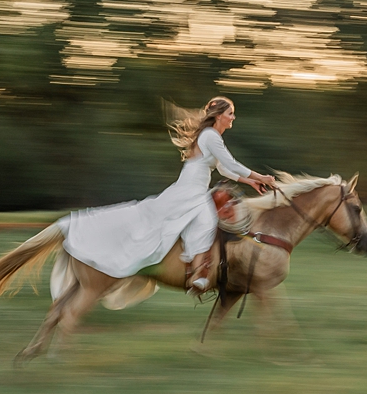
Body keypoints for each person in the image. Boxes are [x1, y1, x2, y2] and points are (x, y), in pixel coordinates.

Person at [56, 97, 275, 294]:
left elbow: (225, 169)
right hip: (190, 191)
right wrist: (263, 177)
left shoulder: (211, 136)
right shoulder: (210, 136)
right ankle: (198, 274)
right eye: (230, 113)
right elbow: (230, 163)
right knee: (206, 222)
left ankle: (197, 271)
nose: (233, 117)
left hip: (194, 189)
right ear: (219, 116)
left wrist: (251, 181)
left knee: (196, 220)